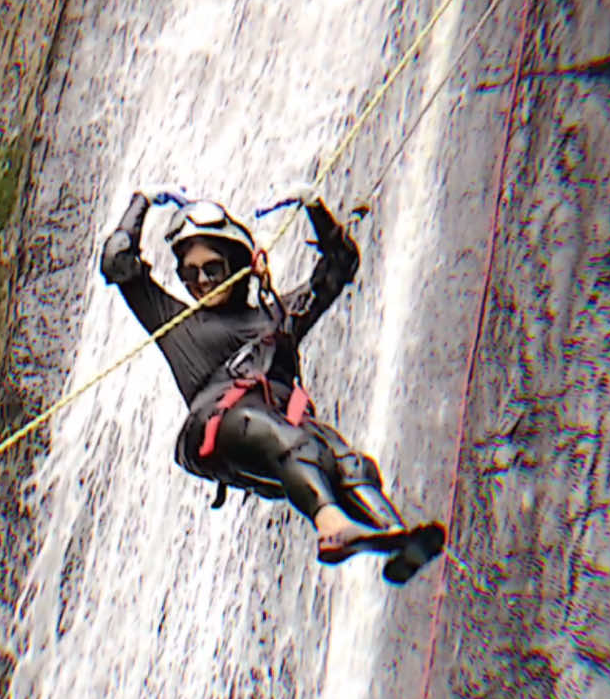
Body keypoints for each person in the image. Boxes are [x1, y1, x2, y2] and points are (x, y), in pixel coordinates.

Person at [99, 190, 444, 579]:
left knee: (343, 458)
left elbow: (339, 266)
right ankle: (332, 527)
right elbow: (116, 260)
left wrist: (316, 208)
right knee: (276, 431)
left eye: (211, 268)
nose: (200, 282)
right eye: (189, 273)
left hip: (282, 442)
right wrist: (141, 203)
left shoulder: (277, 316)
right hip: (218, 428)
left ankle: (392, 535)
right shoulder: (175, 320)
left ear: (237, 265)